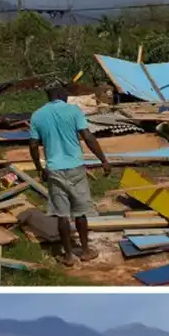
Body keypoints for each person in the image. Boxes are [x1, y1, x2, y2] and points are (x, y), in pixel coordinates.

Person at [27, 84, 111, 267]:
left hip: (54, 169)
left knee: (62, 214)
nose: (67, 96)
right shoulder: (74, 111)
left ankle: (68, 256)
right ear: (59, 94)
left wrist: (39, 168)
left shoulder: (37, 115)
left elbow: (33, 145)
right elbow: (88, 137)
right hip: (75, 167)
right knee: (80, 212)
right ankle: (86, 251)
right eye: (65, 93)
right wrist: (103, 160)